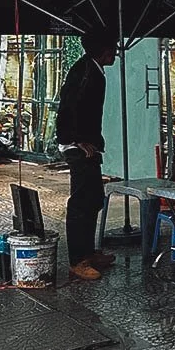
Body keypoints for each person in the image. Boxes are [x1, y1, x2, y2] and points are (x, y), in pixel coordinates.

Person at [56, 29, 118, 281]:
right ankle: (77, 260)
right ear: (104, 51)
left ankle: (89, 251)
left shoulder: (93, 70)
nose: (115, 53)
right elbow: (69, 106)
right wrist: (76, 140)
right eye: (113, 48)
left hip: (89, 144)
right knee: (81, 202)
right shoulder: (84, 72)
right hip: (78, 146)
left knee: (94, 199)